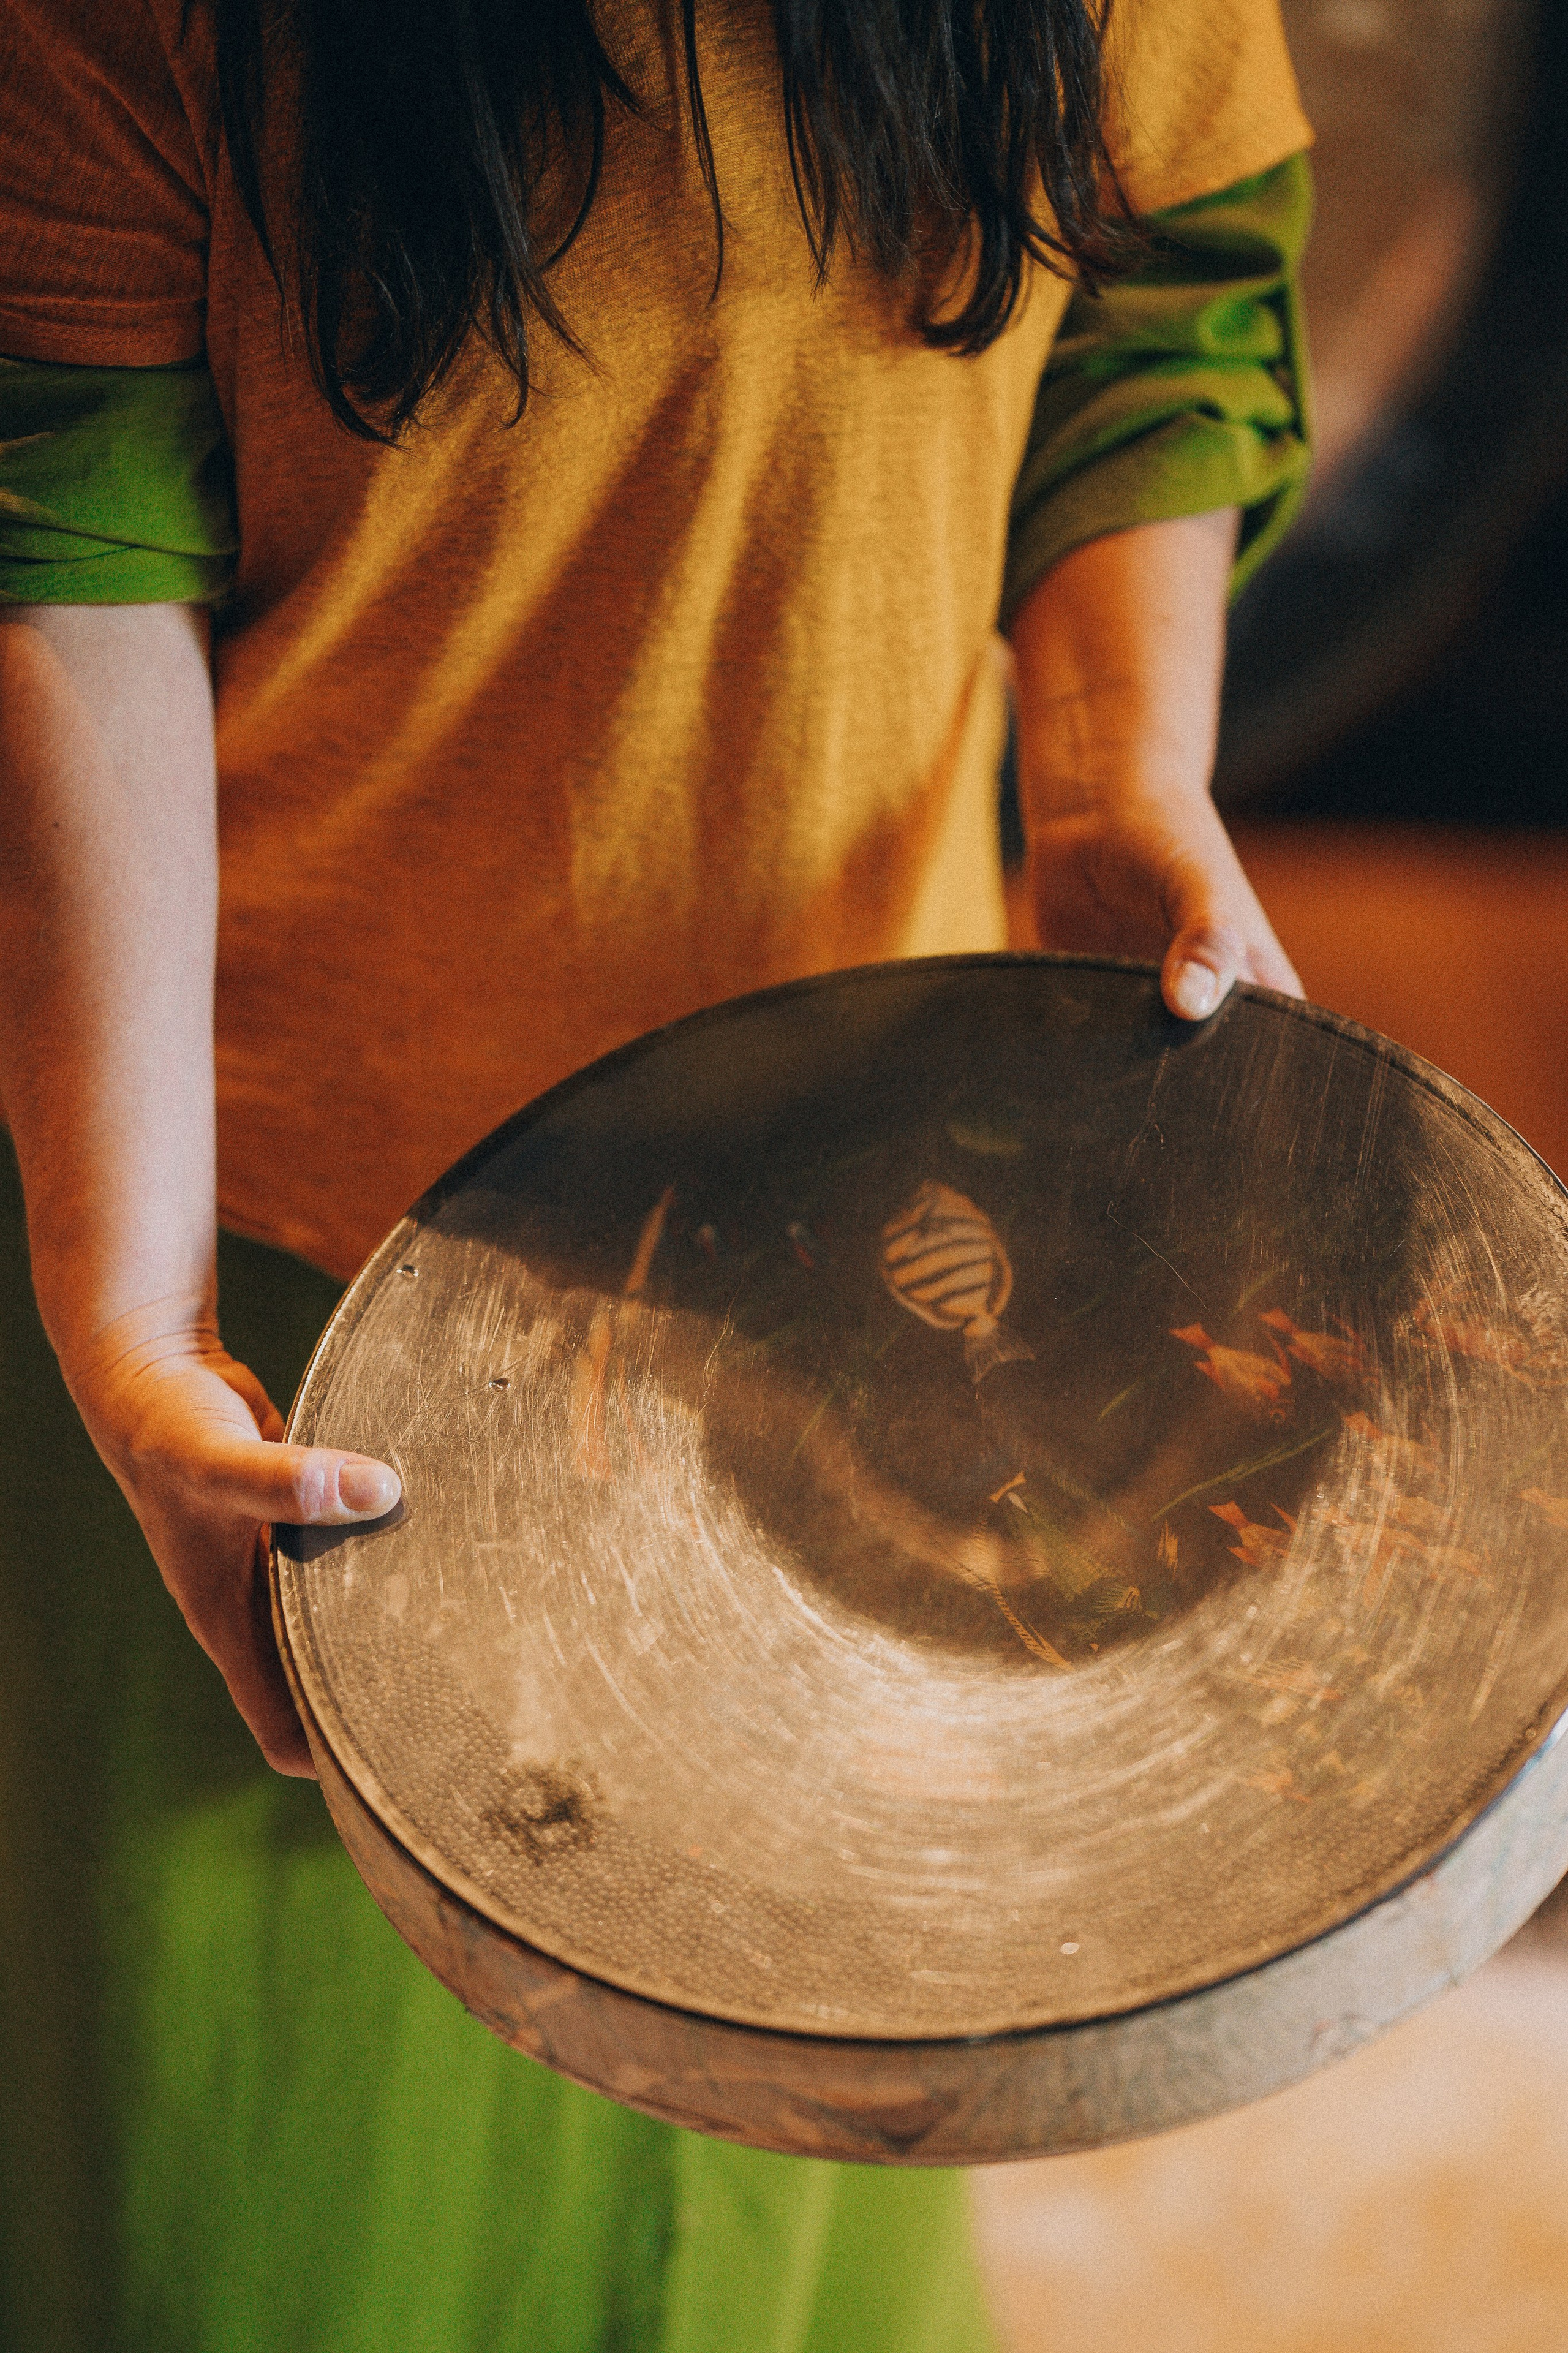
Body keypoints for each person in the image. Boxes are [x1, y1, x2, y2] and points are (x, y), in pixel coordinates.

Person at [0, 0, 1308, 2343]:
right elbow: (74, 567)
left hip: (864, 1242)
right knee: (262, 2210)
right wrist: (129, 1314)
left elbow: (1158, 289)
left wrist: (1117, 778)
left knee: (783, 2176)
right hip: (281, 1259)